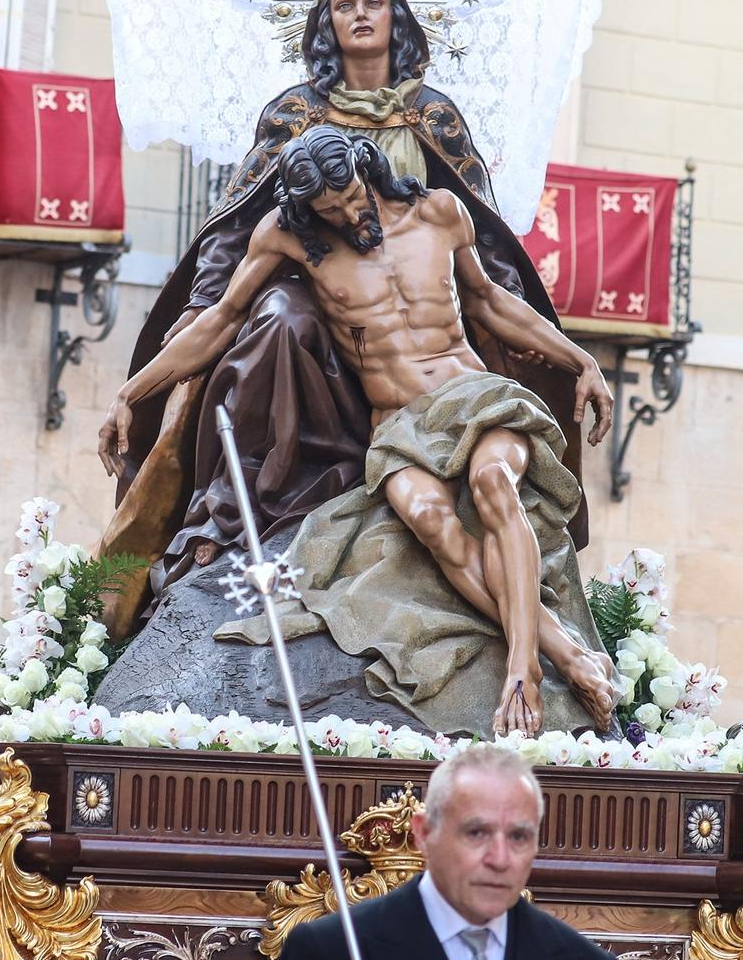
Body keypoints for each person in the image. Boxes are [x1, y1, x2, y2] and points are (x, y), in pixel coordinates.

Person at [103, 124, 618, 739]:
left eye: (353, 195)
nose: (351, 214)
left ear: (367, 169)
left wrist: (580, 360)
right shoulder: (291, 240)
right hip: (398, 427)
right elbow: (219, 321)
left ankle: (523, 672)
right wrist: (133, 393)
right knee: (429, 521)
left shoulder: (438, 212)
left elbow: (489, 302)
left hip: (473, 396)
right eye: (331, 211)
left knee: (493, 486)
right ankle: (563, 648)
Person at [103, 0, 541, 618]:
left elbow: (478, 224)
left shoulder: (434, 117)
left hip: (416, 313)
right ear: (325, 24)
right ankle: (256, 508)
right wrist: (198, 304)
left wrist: (509, 312)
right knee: (278, 317)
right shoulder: (294, 114)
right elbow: (237, 219)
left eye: (373, 0)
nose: (360, 13)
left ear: (397, 17)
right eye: (345, 4)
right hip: (313, 281)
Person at [251, 744, 633, 960]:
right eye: (476, 833)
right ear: (423, 833)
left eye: (518, 837)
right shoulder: (332, 955)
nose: (500, 860)